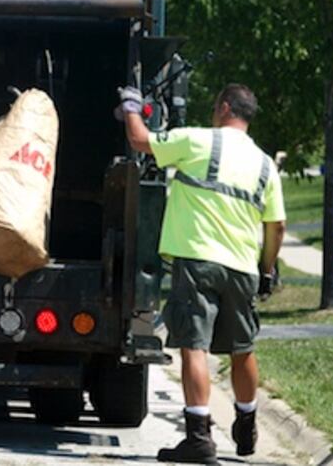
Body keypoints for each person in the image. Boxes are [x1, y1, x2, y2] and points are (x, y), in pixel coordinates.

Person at [116, 83, 286, 464]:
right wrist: (267, 269)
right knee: (243, 348)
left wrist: (130, 104)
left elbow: (140, 140)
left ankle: (198, 437)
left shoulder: (197, 141)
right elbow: (277, 225)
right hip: (242, 267)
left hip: (198, 262)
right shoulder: (264, 165)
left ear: (224, 108)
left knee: (195, 344)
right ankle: (246, 423)